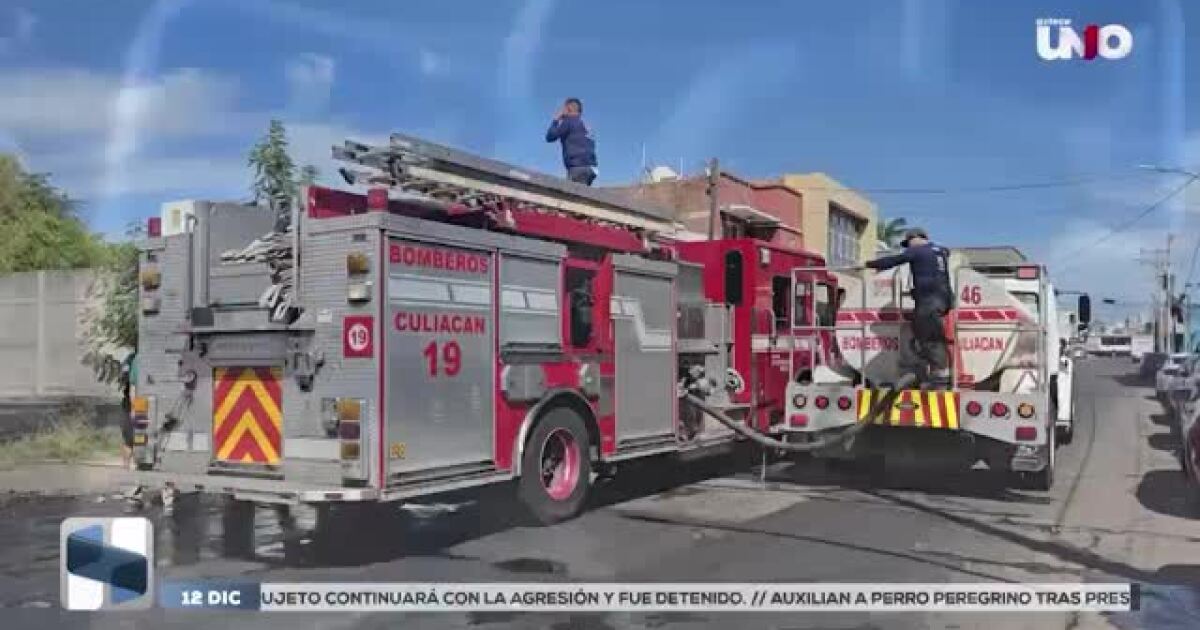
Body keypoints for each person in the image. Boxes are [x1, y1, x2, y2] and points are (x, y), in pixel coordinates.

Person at [856, 228, 954, 387]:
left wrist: (868, 264)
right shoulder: (940, 251)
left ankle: (940, 372)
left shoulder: (917, 251)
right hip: (943, 299)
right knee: (926, 330)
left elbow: (892, 261)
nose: (908, 247)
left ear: (915, 238)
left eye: (908, 243)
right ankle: (932, 368)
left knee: (929, 335)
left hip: (928, 299)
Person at [545, 98, 597, 186]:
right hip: (591, 169)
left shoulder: (569, 121)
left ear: (568, 109)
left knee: (573, 195)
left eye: (563, 109)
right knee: (583, 195)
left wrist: (556, 120)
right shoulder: (587, 128)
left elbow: (550, 137)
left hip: (577, 167)